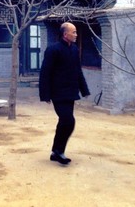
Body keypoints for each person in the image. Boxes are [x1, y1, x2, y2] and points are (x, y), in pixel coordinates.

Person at [39, 22, 90, 165]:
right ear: (65, 34)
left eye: (76, 32)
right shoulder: (53, 50)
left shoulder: (74, 50)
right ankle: (59, 151)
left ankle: (56, 151)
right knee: (68, 120)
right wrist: (45, 94)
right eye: (73, 32)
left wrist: (84, 89)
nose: (76, 34)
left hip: (71, 92)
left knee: (65, 122)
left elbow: (78, 71)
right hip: (57, 93)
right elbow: (45, 72)